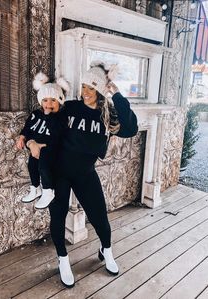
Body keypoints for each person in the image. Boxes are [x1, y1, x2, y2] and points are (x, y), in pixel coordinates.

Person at [28, 62, 138, 287]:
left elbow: (131, 128)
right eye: (84, 87)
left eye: (91, 88)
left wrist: (116, 94)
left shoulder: (107, 115)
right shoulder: (69, 108)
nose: (85, 92)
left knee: (99, 217)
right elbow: (41, 119)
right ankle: (63, 259)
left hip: (85, 174)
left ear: (100, 90)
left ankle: (106, 251)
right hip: (58, 173)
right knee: (58, 217)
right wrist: (30, 141)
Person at [16, 72, 69, 209]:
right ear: (40, 101)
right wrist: (22, 137)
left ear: (60, 101)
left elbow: (58, 136)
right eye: (45, 100)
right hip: (35, 148)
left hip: (50, 148)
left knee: (43, 167)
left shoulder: (60, 117)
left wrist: (39, 144)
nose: (48, 104)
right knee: (32, 165)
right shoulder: (35, 114)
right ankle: (35, 188)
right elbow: (28, 128)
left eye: (53, 100)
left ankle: (48, 190)